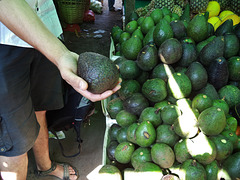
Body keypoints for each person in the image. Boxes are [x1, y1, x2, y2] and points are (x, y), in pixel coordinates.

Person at [0, 0, 121, 180]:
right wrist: (62, 55)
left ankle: (45, 167)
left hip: (47, 28)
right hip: (5, 41)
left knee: (41, 108)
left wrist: (59, 53)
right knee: (14, 139)